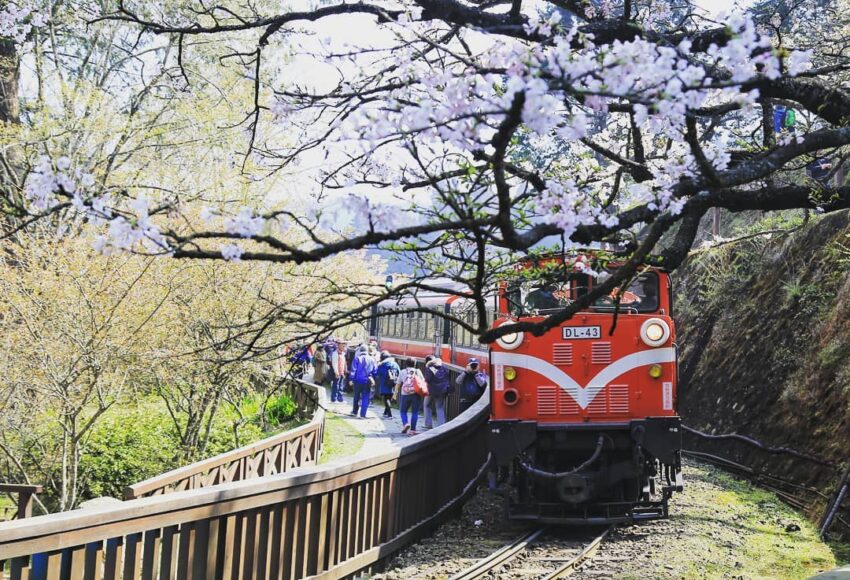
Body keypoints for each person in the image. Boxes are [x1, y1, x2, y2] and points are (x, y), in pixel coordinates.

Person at [422, 355, 451, 429]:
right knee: (440, 407)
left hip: (431, 391)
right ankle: (441, 425)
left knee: (426, 405)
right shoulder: (444, 368)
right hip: (442, 391)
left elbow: (427, 379)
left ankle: (428, 424)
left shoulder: (429, 369)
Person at [349, 345, 377, 418]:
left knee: (356, 396)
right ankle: (363, 414)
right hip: (367, 381)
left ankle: (355, 412)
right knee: (365, 397)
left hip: (357, 380)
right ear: (367, 351)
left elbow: (353, 370)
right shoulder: (372, 359)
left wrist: (351, 379)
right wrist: (372, 376)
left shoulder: (357, 358)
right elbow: (375, 370)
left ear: (360, 351)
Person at [396, 361, 424, 434]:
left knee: (403, 411)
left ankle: (406, 423)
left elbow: (398, 383)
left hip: (405, 394)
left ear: (406, 364)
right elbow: (423, 381)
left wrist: (395, 393)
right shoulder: (418, 371)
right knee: (415, 412)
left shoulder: (402, 372)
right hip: (416, 394)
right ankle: (412, 430)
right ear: (415, 364)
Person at [374, 351, 400, 418]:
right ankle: (385, 413)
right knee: (389, 398)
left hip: (385, 383)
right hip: (393, 383)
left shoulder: (383, 365)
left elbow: (377, 373)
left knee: (386, 399)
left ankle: (389, 414)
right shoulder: (395, 364)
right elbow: (399, 372)